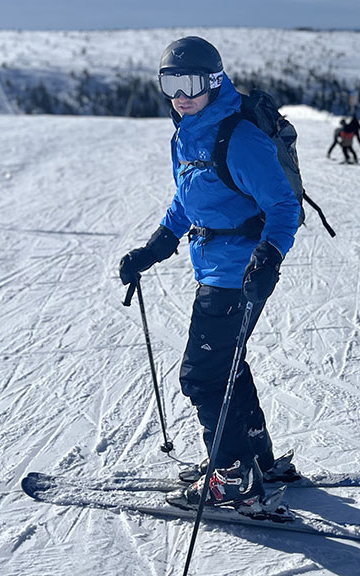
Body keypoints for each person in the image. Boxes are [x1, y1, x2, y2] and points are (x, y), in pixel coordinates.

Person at [119, 36, 300, 511]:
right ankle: (256, 458)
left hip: (239, 272)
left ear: (215, 81)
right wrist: (154, 247)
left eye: (191, 83)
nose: (180, 94)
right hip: (215, 265)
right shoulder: (187, 133)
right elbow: (187, 200)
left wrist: (270, 257)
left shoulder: (239, 137)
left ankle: (234, 479)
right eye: (170, 83)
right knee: (226, 365)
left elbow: (284, 205)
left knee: (202, 376)